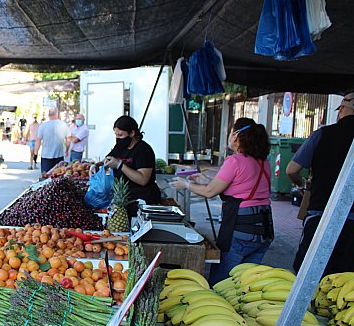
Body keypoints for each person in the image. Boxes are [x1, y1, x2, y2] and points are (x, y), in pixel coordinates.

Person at [171, 118, 274, 285]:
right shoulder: (264, 162)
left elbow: (210, 192)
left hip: (240, 231)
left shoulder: (235, 160)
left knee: (222, 282)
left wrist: (186, 184)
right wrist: (206, 180)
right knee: (245, 283)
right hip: (264, 230)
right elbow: (241, 186)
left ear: (235, 136)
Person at [287, 93, 354, 276]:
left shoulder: (323, 134)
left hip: (321, 213)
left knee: (309, 272)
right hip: (352, 222)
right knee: (344, 278)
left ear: (341, 110)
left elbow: (291, 170)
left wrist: (301, 186)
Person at [91, 115, 161, 212]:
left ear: (132, 133)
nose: (117, 138)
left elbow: (143, 179)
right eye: (116, 135)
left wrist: (120, 165)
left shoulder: (144, 150)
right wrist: (98, 166)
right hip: (122, 200)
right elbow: (108, 160)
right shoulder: (121, 146)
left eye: (120, 135)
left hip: (141, 201)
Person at [34, 108, 69, 174]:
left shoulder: (43, 126)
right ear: (57, 114)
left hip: (46, 156)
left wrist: (35, 154)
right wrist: (67, 150)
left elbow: (38, 140)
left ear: (48, 115)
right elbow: (68, 139)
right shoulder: (63, 125)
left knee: (45, 177)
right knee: (58, 176)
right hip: (59, 155)